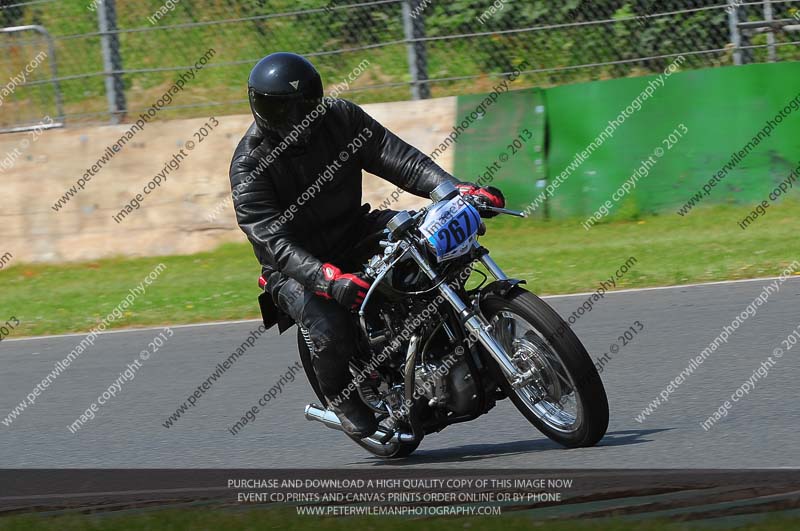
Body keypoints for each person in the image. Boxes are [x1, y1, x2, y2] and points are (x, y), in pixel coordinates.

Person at [229, 52, 505, 438]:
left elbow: (397, 158)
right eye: (282, 109)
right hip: (295, 265)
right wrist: (324, 279)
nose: (296, 119)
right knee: (330, 326)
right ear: (260, 107)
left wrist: (452, 190)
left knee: (432, 243)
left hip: (356, 228)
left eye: (304, 106)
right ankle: (341, 397)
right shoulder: (249, 165)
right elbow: (271, 239)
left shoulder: (340, 117)